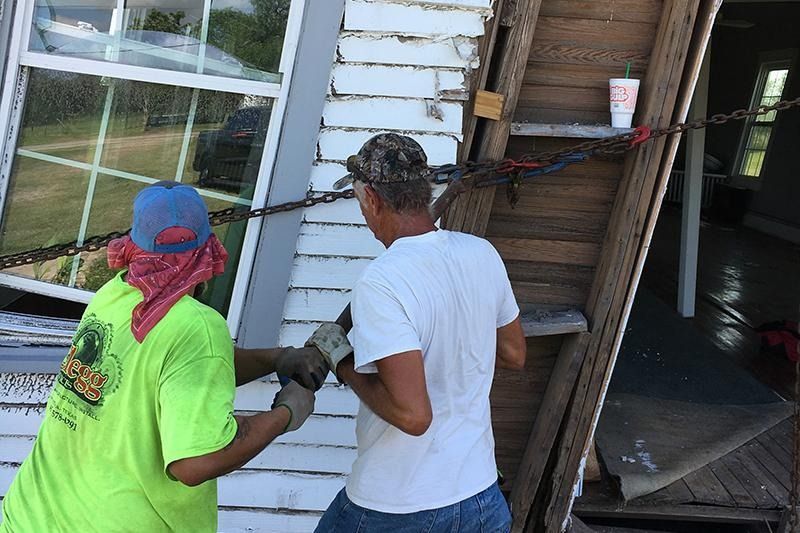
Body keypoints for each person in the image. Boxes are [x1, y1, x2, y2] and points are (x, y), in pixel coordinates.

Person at [0, 181, 326, 533]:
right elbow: (195, 462)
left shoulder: (113, 295)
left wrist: (278, 358)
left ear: (135, 244)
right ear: (207, 252)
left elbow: (184, 371)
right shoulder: (198, 327)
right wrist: (286, 413)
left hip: (31, 516)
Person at [312, 134, 527, 532]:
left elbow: (413, 418)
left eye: (361, 204)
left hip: (399, 505)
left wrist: (340, 361)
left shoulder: (381, 281)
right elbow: (515, 354)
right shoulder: (481, 253)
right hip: (479, 496)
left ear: (372, 199)